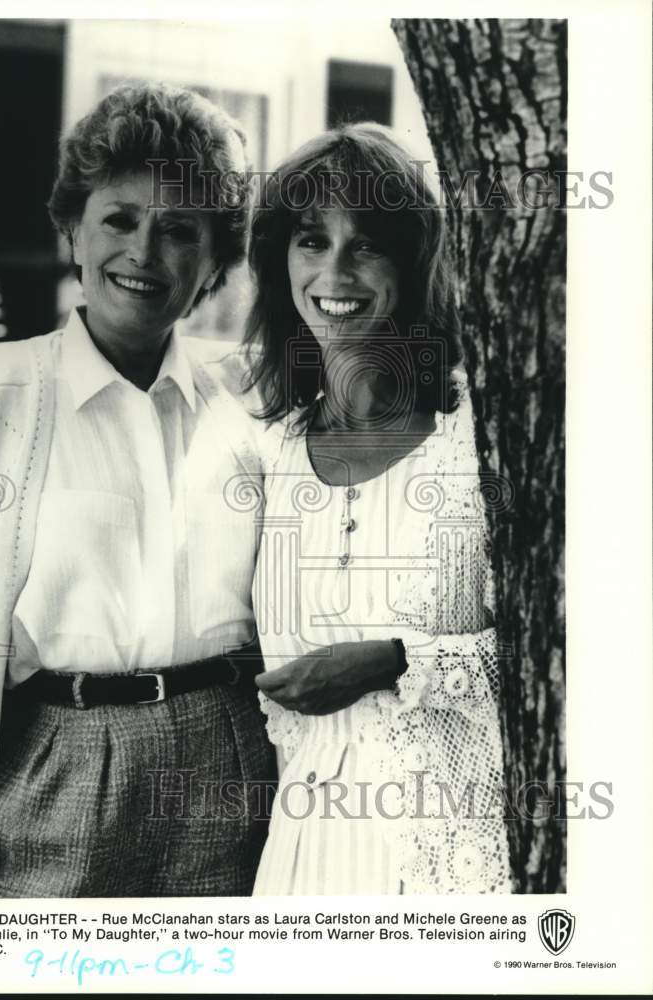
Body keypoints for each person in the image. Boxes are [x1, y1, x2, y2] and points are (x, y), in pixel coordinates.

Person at [0, 82, 276, 898]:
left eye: (179, 231)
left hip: (231, 750)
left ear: (214, 262)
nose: (143, 253)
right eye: (120, 219)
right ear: (73, 229)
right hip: (58, 753)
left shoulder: (250, 402)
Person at [243, 123, 512, 894]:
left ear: (415, 262)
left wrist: (393, 662)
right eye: (309, 240)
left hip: (457, 863)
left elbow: (560, 657)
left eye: (366, 244)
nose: (333, 270)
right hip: (304, 861)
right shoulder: (268, 452)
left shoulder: (479, 445)